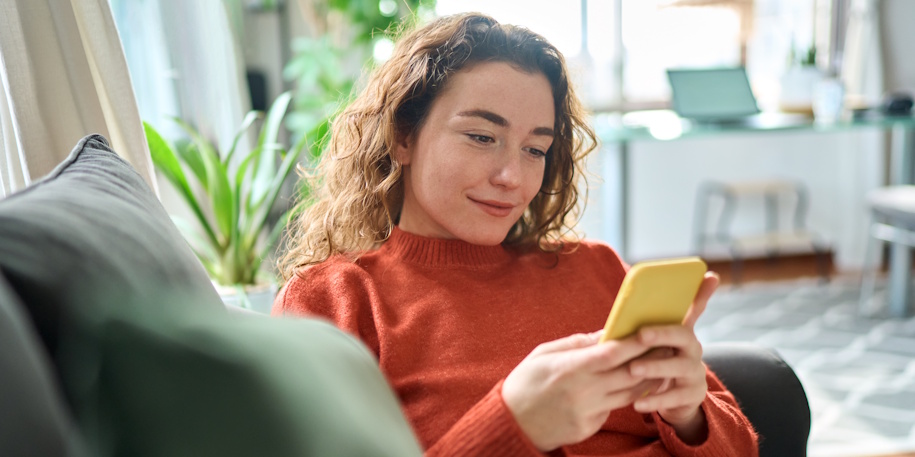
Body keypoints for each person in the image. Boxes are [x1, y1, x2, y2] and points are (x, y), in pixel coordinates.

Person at [274, 12, 758, 456]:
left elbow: (742, 446)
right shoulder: (335, 302)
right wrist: (513, 425)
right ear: (403, 136)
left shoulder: (597, 269)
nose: (512, 177)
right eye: (482, 137)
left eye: (535, 149)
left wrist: (689, 414)